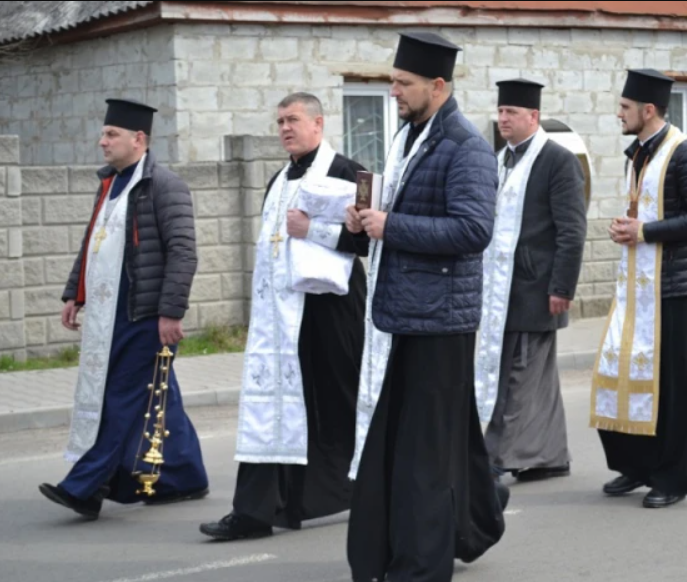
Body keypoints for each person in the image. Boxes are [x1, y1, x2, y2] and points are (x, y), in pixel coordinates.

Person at [344, 30, 508, 582]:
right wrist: (365, 221)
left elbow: (472, 229)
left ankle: (420, 565)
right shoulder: (411, 137)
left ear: (437, 86)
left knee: (425, 453)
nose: (393, 91)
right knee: (433, 441)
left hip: (442, 321)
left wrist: (391, 226)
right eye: (393, 80)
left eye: (403, 83)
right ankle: (473, 524)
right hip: (412, 314)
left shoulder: (465, 147)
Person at [199, 93, 368, 540]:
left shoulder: (350, 171)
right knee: (272, 410)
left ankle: (369, 486)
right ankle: (257, 511)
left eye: (293, 119)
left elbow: (372, 241)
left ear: (318, 122)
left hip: (331, 314)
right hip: (280, 319)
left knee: (340, 404)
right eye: (279, 122)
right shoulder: (278, 178)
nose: (285, 129)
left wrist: (313, 229)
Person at [39, 98, 208, 520]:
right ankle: (185, 475)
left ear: (139, 139)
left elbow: (183, 253)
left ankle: (86, 486)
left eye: (111, 134)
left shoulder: (165, 185)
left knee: (120, 399)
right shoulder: (110, 184)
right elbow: (94, 242)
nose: (102, 141)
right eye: (103, 133)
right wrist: (72, 293)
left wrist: (171, 312)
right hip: (108, 314)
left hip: (144, 312)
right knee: (158, 395)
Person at [590, 69, 687, 509]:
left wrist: (645, 231)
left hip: (674, 291)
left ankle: (672, 477)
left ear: (648, 110)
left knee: (672, 389)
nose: (618, 113)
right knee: (623, 375)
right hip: (636, 289)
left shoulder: (686, 152)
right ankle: (637, 466)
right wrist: (628, 230)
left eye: (624, 108)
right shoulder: (639, 152)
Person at [476, 78, 587, 483]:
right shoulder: (500, 158)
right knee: (532, 376)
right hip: (500, 287)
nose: (503, 119)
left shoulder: (557, 161)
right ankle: (549, 456)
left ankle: (500, 455)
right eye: (501, 112)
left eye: (512, 113)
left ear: (533, 117)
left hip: (534, 286)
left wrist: (562, 287)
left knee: (521, 374)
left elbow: (572, 230)